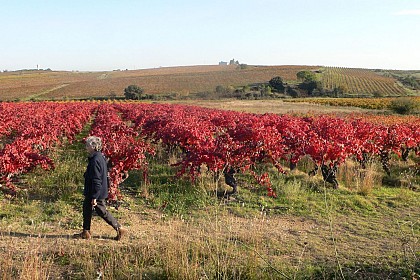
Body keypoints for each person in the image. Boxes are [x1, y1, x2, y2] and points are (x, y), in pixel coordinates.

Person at [74, 136, 127, 240]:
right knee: (86, 208)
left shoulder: (95, 160)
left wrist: (94, 197)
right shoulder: (99, 156)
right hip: (93, 190)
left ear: (93, 146)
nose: (86, 147)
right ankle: (86, 231)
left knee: (102, 211)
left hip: (95, 191)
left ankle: (119, 228)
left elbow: (97, 180)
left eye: (88, 145)